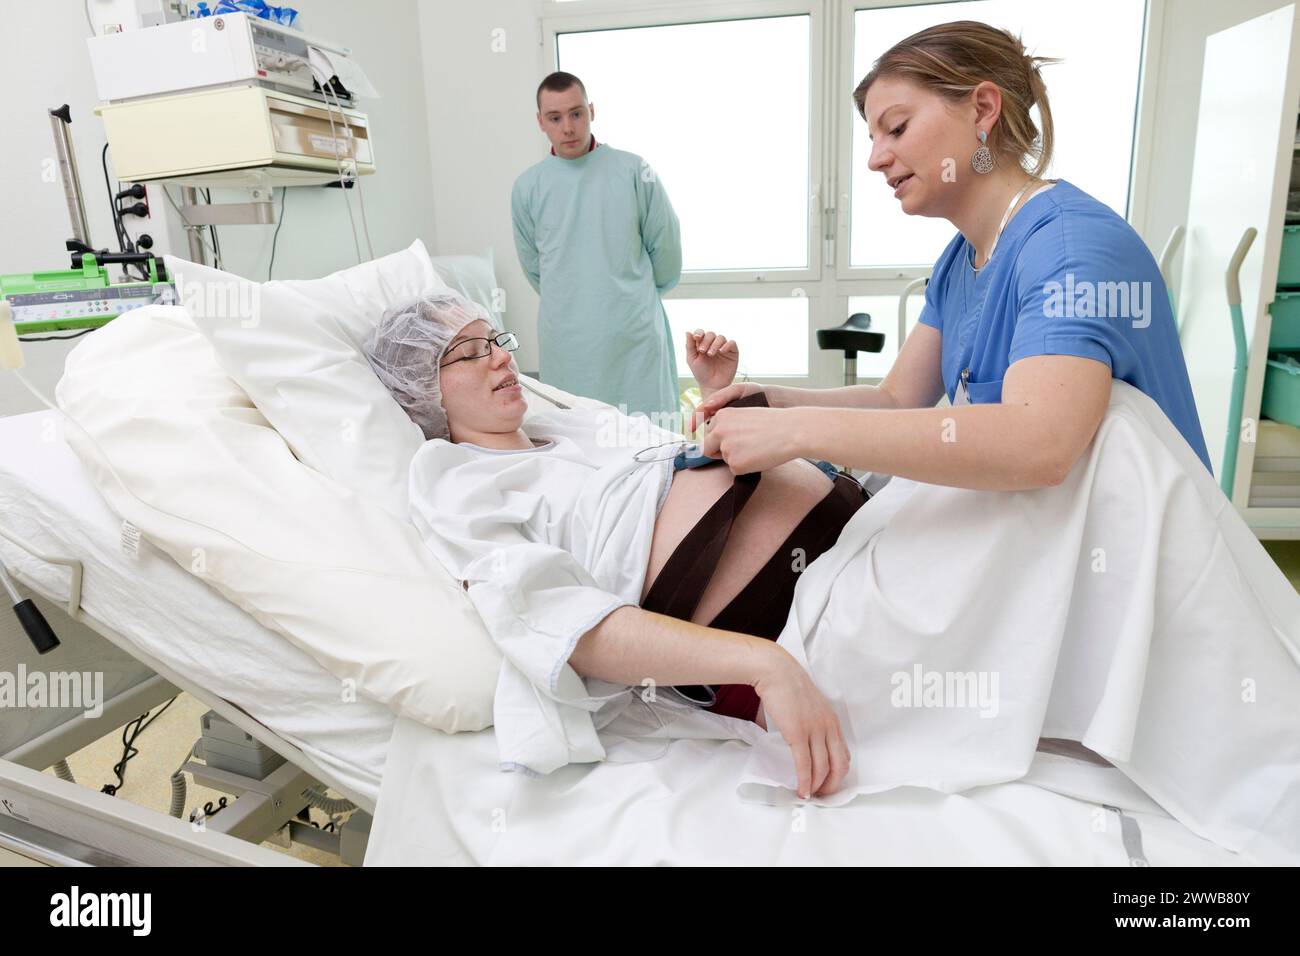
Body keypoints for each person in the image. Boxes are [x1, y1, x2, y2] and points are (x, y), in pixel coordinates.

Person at [362, 291, 856, 799]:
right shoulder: (455, 480)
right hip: (777, 623)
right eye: (470, 351)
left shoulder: (564, 424)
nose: (503, 356)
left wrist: (715, 393)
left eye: (495, 339)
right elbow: (566, 626)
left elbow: (676, 464)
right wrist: (762, 663)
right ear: (423, 389)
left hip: (843, 536)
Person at [691, 20, 1212, 491]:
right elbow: (897, 400)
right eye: (872, 138)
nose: (875, 159)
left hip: (1126, 554)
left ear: (983, 109)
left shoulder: (1070, 249)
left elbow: (1040, 443)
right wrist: (768, 400)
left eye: (895, 128)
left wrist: (800, 432)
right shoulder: (962, 259)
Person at [511, 71, 683, 419]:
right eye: (555, 118)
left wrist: (630, 296)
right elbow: (536, 267)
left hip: (633, 337)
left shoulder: (635, 171)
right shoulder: (528, 187)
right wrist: (572, 300)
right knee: (578, 444)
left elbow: (666, 251)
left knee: (649, 443)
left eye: (577, 114)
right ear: (540, 122)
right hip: (568, 343)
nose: (568, 128)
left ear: (592, 110)